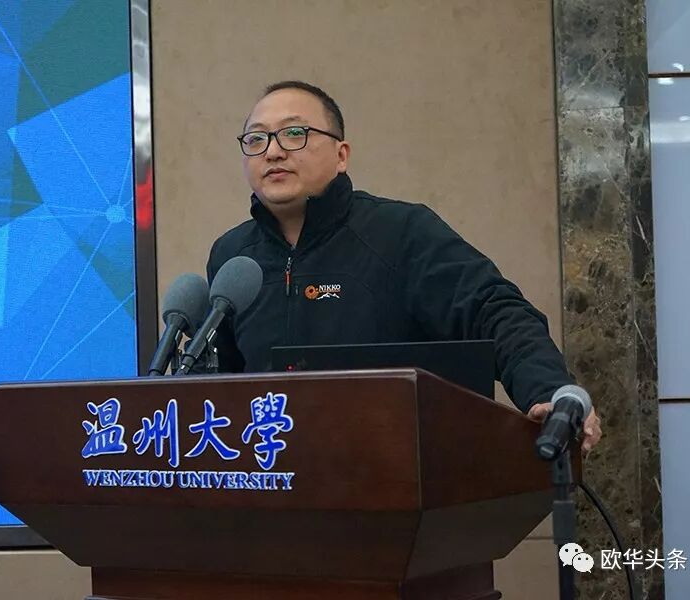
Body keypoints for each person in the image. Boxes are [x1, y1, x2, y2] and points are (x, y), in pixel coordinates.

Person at [205, 80, 601, 451]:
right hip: (274, 477)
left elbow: (494, 312)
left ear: (341, 155)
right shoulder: (233, 256)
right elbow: (222, 381)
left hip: (393, 469)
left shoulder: (401, 233)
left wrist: (548, 391)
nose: (273, 152)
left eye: (294, 133)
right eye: (256, 139)